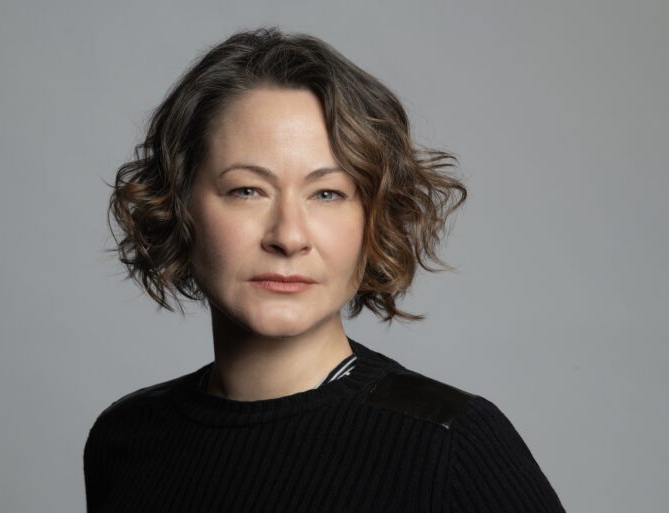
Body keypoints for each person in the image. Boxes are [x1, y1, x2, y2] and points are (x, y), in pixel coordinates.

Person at [83, 26, 567, 512]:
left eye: (328, 194)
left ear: (374, 218)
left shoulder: (449, 443)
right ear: (178, 205)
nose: (289, 236)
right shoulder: (126, 438)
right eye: (247, 190)